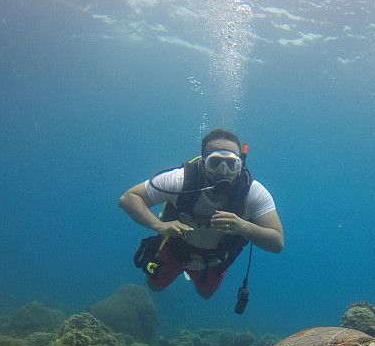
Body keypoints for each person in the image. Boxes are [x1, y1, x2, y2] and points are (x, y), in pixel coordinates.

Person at [119, 128, 284, 299]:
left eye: (231, 164)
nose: (223, 171)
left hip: (214, 261)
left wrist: (244, 227)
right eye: (215, 163)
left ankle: (194, 276)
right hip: (174, 250)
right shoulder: (181, 180)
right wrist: (158, 226)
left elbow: (277, 242)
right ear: (203, 163)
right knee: (154, 287)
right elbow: (128, 198)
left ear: (240, 164)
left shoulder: (253, 193)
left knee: (205, 294)